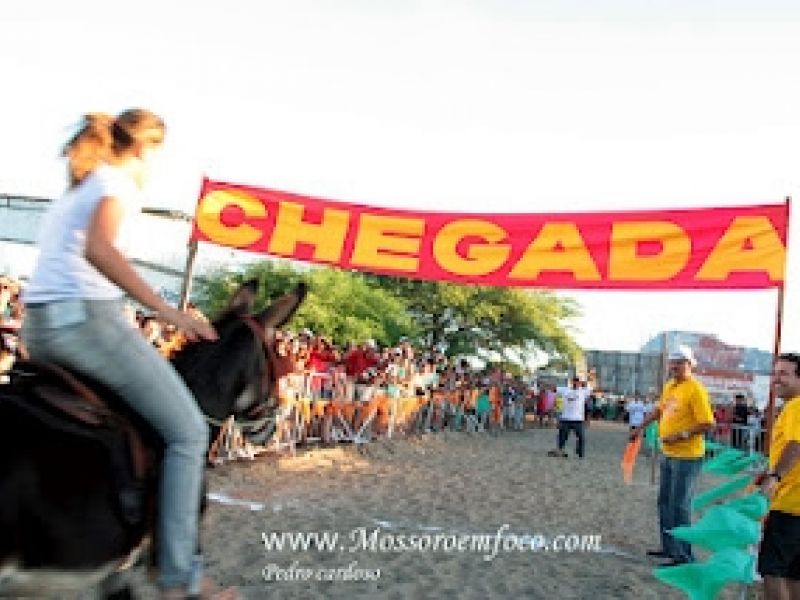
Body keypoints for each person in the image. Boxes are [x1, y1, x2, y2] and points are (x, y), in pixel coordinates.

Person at [20, 110, 235, 599]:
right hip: (87, 321)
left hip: (42, 324)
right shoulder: (116, 181)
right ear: (145, 148)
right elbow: (100, 249)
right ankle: (179, 578)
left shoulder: (79, 186)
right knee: (188, 432)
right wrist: (168, 311)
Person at [630, 345, 715, 566]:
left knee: (679, 505)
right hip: (668, 453)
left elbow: (707, 423)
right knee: (665, 503)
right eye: (672, 362)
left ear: (690, 364)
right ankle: (668, 547)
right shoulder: (670, 386)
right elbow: (659, 410)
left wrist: (680, 435)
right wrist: (640, 427)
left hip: (687, 456)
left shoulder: (695, 389)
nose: (674, 366)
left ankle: (683, 555)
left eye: (680, 362)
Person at [756, 353, 800, 599]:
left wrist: (775, 475)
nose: (776, 379)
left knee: (772, 570)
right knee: (794, 574)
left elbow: (796, 445)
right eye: (775, 373)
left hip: (789, 504)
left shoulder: (796, 406)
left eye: (784, 373)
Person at [548, 376, 589, 458]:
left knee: (581, 437)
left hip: (578, 419)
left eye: (577, 381)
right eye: (574, 381)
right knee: (562, 436)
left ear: (579, 383)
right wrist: (550, 382)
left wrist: (583, 382)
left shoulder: (583, 391)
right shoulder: (565, 390)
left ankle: (580, 453)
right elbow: (553, 388)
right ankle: (560, 450)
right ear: (571, 382)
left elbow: (588, 387)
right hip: (566, 418)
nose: (576, 383)